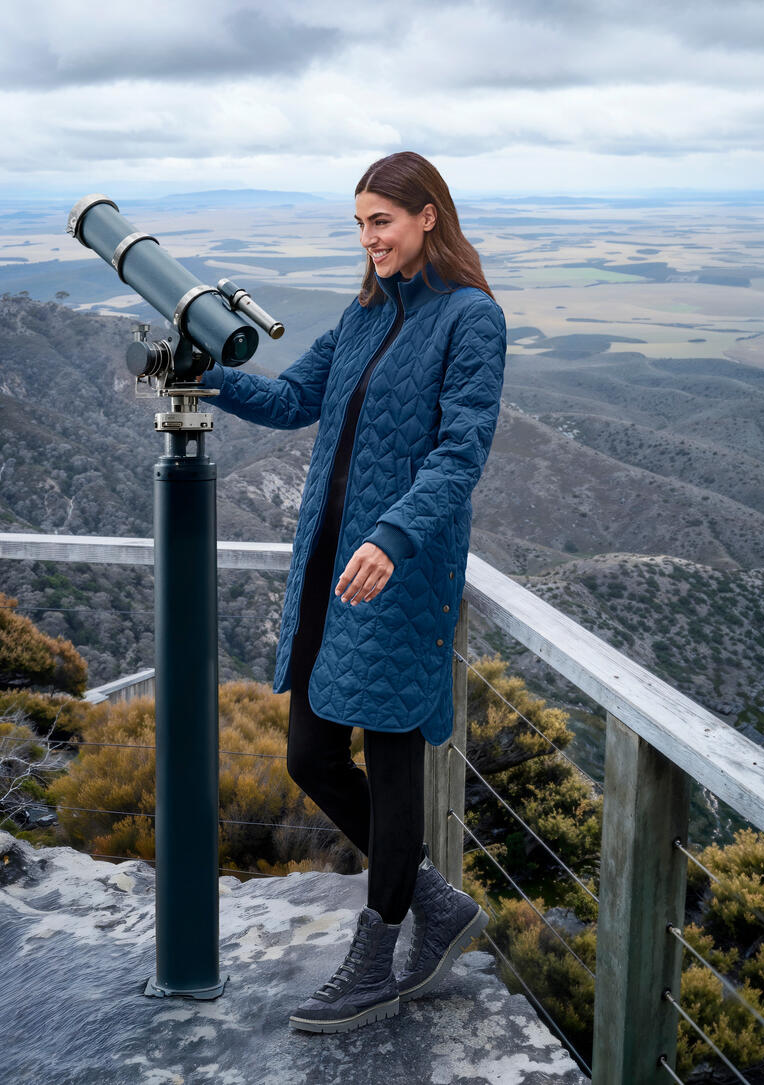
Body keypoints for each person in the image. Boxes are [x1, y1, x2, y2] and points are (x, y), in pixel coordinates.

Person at [200, 151, 507, 1033]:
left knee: (395, 750)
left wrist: (393, 535)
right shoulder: (362, 316)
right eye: (361, 223)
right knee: (311, 752)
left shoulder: (470, 321)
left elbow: (461, 454)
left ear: (427, 220)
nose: (370, 238)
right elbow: (294, 396)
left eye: (382, 220)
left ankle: (380, 952)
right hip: (332, 568)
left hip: (400, 572)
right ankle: (437, 905)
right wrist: (206, 377)